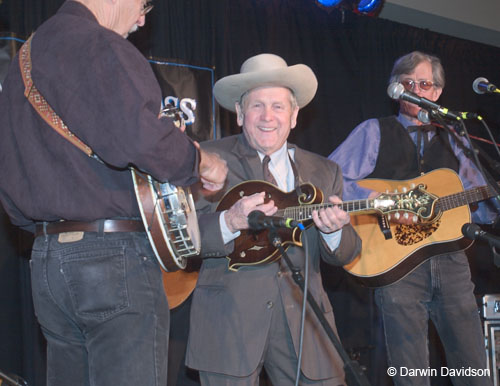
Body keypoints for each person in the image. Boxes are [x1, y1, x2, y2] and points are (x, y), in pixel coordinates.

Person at [0, 1, 228, 385]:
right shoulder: (98, 44)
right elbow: (139, 139)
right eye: (142, 6)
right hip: (110, 257)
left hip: (46, 260)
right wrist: (200, 161)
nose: (141, 20)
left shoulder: (24, 59)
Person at [185, 53, 362, 386]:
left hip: (308, 327)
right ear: (239, 113)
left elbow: (347, 254)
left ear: (294, 116)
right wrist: (229, 221)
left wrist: (335, 233)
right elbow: (182, 238)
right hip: (228, 325)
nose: (268, 117)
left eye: (278, 106)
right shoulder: (206, 160)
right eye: (257, 106)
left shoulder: (325, 171)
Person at [329, 51, 498, 386]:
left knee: (473, 367)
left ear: (437, 93)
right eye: (410, 83)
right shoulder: (374, 131)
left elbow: (481, 205)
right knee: (410, 373)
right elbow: (328, 178)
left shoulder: (458, 138)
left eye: (426, 84)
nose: (418, 90)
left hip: (451, 260)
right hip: (396, 263)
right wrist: (375, 199)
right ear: (397, 88)